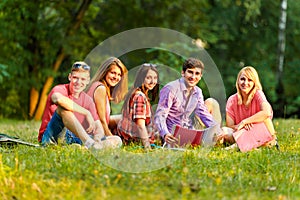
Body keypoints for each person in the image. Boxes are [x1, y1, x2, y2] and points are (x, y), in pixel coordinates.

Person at [38, 61, 122, 149]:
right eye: (75, 78)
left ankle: (87, 147)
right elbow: (58, 99)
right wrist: (86, 112)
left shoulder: (87, 100)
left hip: (75, 137)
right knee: (63, 109)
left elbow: (97, 124)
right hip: (53, 136)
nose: (78, 82)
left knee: (116, 139)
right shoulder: (60, 89)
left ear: (87, 81)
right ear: (69, 77)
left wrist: (98, 139)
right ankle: (89, 144)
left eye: (83, 79)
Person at [154, 57, 222, 145]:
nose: (193, 77)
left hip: (190, 133)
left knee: (221, 132)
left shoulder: (198, 92)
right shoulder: (170, 89)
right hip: (172, 136)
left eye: (197, 73)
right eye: (190, 72)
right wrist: (165, 134)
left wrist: (217, 130)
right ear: (183, 73)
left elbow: (204, 114)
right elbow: (160, 116)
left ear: (200, 76)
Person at [222, 66, 278, 148]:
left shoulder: (258, 94)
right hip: (241, 132)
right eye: (242, 79)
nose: (245, 83)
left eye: (250, 80)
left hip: (260, 133)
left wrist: (245, 122)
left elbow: (266, 112)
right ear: (238, 81)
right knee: (224, 131)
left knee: (266, 119)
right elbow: (230, 126)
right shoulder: (232, 100)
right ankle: (247, 146)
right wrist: (244, 126)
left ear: (254, 83)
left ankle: (236, 147)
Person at [117, 64, 159, 150]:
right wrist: (147, 147)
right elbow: (140, 126)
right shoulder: (139, 97)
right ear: (141, 78)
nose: (152, 81)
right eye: (148, 78)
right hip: (134, 140)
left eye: (155, 78)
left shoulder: (137, 92)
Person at [86, 57, 128, 136]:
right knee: (117, 141)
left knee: (124, 119)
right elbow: (102, 121)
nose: (116, 77)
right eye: (113, 73)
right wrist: (111, 137)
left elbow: (105, 119)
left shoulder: (101, 86)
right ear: (105, 72)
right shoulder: (101, 88)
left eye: (119, 75)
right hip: (87, 134)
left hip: (93, 129)